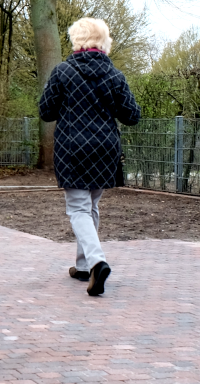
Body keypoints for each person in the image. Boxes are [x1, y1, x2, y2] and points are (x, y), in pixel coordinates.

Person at [39, 17, 141, 296]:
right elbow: (132, 116)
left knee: (78, 209)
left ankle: (96, 261)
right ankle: (83, 266)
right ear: (104, 42)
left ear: (76, 42)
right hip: (106, 149)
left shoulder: (62, 72)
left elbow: (46, 111)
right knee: (91, 206)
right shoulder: (115, 75)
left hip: (73, 149)